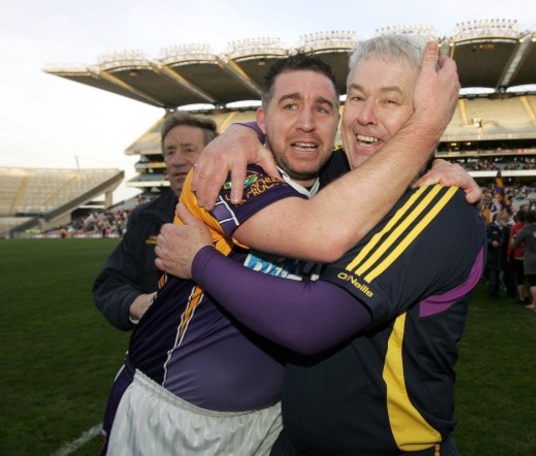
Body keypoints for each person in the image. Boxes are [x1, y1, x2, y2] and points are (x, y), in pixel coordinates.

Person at [103, 41, 478, 455]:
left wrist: (199, 260)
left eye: (390, 100)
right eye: (356, 97)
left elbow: (311, 318)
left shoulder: (435, 205)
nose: (366, 116)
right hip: (252, 432)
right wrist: (239, 132)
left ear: (426, 110)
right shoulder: (306, 174)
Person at [92, 112, 218, 330]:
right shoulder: (145, 218)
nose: (177, 161)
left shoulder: (240, 212)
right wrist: (136, 304)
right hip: (159, 351)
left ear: (213, 154)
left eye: (188, 150)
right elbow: (109, 284)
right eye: (170, 152)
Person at [512, 209, 536, 313]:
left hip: (529, 258)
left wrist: (513, 239)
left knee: (532, 283)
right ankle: (534, 304)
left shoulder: (524, 229)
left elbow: (515, 245)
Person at [486, 210, 508, 299]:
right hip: (493, 254)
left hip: (500, 255)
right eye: (504, 219)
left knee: (497, 274)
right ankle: (492, 293)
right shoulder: (492, 227)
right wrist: (491, 242)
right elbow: (485, 238)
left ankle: (496, 292)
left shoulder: (503, 228)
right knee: (493, 275)